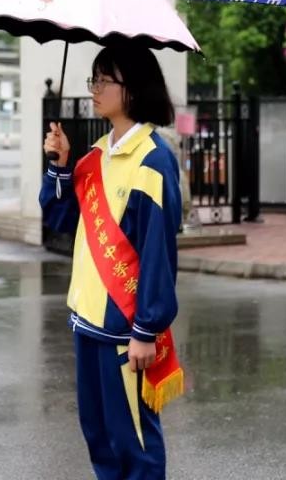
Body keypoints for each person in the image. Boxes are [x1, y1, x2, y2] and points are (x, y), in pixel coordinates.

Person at [40, 44, 184, 480]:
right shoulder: (96, 155)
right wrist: (60, 165)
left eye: (105, 80)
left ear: (134, 88)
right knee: (98, 433)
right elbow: (60, 218)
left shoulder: (153, 162)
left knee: (134, 439)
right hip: (87, 319)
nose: (95, 89)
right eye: (94, 79)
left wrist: (146, 330)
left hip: (125, 328)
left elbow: (160, 255)